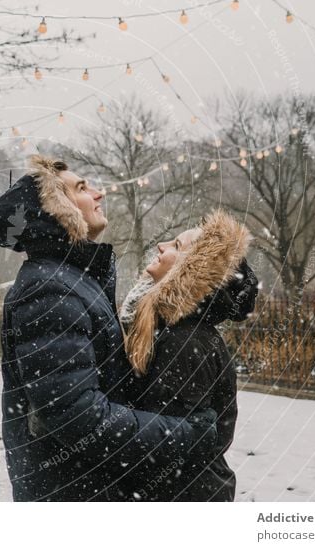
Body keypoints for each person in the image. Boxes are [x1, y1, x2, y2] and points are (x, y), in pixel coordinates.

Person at [0, 154, 218, 502]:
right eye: (82, 187)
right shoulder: (50, 289)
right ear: (57, 209)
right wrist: (187, 434)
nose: (99, 194)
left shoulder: (72, 280)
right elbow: (79, 419)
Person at [116, 209, 259, 501]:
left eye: (177, 246)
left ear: (192, 273)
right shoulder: (170, 329)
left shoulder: (184, 340)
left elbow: (177, 443)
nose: (161, 246)